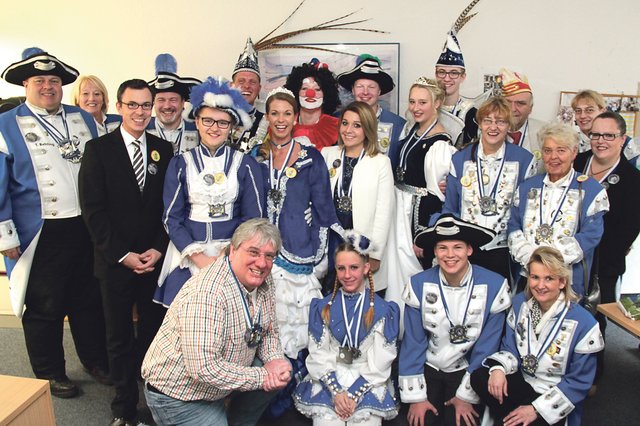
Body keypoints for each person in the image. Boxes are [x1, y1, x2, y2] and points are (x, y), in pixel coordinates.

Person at [0, 47, 109, 399]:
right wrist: (5, 235)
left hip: (86, 226)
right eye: (39, 80)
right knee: (44, 304)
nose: (48, 86)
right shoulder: (5, 123)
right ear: (26, 84)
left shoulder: (84, 118)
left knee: (88, 299)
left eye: (54, 80)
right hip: (40, 230)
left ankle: (95, 360)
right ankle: (49, 372)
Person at [79, 78, 173, 425]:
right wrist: (122, 254)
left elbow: (169, 208)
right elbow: (93, 211)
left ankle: (151, 401)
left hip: (152, 261)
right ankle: (123, 407)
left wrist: (157, 250)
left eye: (145, 105)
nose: (139, 112)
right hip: (115, 262)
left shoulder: (164, 151)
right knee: (118, 336)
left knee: (151, 334)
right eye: (132, 105)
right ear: (119, 106)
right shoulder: (98, 150)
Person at [142, 218, 292, 426]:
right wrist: (262, 377)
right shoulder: (209, 292)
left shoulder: (263, 280)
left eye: (269, 256)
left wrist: (274, 360)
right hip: (179, 396)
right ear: (233, 250)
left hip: (217, 386)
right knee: (267, 376)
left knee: (279, 371)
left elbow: (268, 331)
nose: (262, 263)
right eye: (253, 252)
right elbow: (202, 368)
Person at [255, 87, 342, 416]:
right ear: (267, 117)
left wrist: (317, 249)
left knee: (296, 323)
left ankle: (294, 394)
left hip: (298, 252)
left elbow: (323, 207)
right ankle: (264, 393)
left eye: (287, 114)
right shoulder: (256, 157)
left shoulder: (310, 157)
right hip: (261, 253)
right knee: (265, 322)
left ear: (296, 118)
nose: (280, 120)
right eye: (274, 113)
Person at [154, 77, 265, 307]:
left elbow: (253, 219)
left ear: (232, 127)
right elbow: (171, 218)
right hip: (189, 256)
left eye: (222, 123)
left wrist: (228, 255)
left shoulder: (245, 165)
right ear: (197, 121)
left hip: (233, 256)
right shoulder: (180, 164)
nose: (214, 128)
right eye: (208, 121)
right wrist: (199, 258)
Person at [470, 246, 603, 426]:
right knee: (480, 376)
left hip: (553, 391)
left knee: (534, 415)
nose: (540, 286)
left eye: (549, 278)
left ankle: (522, 416)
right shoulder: (519, 304)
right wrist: (499, 369)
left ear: (562, 282)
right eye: (535, 277)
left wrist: (535, 409)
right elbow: (510, 348)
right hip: (523, 382)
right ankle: (518, 416)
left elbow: (578, 381)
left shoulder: (585, 323)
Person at [399, 214, 511, 426]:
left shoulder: (495, 285)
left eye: (457, 247)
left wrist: (465, 396)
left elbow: (487, 347)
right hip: (428, 367)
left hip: (468, 369)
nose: (450, 255)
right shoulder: (418, 284)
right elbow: (413, 343)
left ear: (469, 250)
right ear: (435, 251)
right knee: (420, 420)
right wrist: (417, 398)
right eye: (443, 248)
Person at [294, 232, 400, 424]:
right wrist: (337, 392)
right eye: (341, 269)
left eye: (354, 267)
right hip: (330, 377)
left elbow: (381, 361)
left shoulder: (384, 310)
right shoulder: (322, 307)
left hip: (368, 380)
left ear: (366, 268)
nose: (347, 275)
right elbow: (318, 353)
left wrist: (353, 394)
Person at [573, 111, 640, 387]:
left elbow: (627, 232)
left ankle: (592, 377)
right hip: (563, 256)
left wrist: (589, 254)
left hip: (602, 262)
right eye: (596, 134)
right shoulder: (577, 162)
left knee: (594, 319)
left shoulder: (633, 181)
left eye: (609, 135)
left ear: (622, 139)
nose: (601, 141)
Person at [508, 122, 609, 297]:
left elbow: (590, 235)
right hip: (528, 275)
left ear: (574, 152)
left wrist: (549, 263)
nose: (553, 157)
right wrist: (530, 259)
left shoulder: (592, 191)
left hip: (568, 279)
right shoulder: (526, 188)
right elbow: (513, 226)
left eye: (561, 150)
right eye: (547, 150)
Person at [441, 97, 536, 282]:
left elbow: (526, 213)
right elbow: (450, 208)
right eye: (488, 121)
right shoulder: (460, 159)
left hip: (504, 250)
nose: (494, 127)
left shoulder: (524, 160)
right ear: (480, 123)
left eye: (500, 122)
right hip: (466, 249)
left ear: (509, 126)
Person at [383, 77, 455, 308]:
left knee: (414, 270)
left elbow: (438, 195)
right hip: (399, 207)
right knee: (395, 273)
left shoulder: (440, 143)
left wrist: (424, 234)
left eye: (422, 102)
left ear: (437, 103)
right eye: (412, 101)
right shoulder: (412, 129)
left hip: (415, 216)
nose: (415, 107)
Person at [322, 101, 394, 293]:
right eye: (345, 123)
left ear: (367, 129)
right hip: (331, 241)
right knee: (330, 297)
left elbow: (383, 212)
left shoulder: (380, 162)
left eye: (357, 125)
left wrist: (375, 254)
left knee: (362, 302)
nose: (349, 130)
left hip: (362, 243)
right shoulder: (327, 154)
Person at [433, 0, 483, 148]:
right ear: (435, 74)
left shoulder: (472, 114)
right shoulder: (426, 107)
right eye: (442, 72)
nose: (447, 78)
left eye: (454, 73)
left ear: (463, 77)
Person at [337, 54, 406, 156]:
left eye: (371, 87)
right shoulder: (337, 120)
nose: (365, 92)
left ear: (379, 91)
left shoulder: (399, 125)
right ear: (353, 90)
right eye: (360, 86)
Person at [147, 53, 201, 155]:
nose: (167, 106)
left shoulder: (199, 130)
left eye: (173, 100)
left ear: (183, 102)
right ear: (153, 102)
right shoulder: (142, 130)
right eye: (161, 100)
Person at [285, 58, 340, 151]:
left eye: (317, 89)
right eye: (304, 88)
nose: (310, 93)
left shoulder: (337, 126)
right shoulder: (284, 123)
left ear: (326, 94)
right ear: (296, 92)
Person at [499, 68, 546, 174]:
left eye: (520, 103)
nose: (513, 109)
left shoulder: (545, 132)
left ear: (531, 108)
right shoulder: (485, 131)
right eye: (508, 102)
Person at [230, 38, 266, 152]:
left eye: (252, 82)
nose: (246, 86)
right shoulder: (217, 116)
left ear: (259, 88)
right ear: (232, 86)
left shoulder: (266, 122)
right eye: (241, 81)